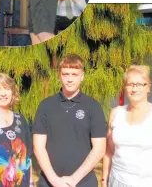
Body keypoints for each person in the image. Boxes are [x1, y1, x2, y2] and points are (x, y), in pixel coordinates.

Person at [102, 65, 152, 187]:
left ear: (148, 87)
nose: (135, 89)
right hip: (118, 181)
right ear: (125, 87)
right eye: (130, 84)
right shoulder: (116, 113)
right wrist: (104, 181)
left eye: (140, 84)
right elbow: (109, 152)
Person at [33, 54, 106, 187]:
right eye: (66, 74)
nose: (70, 79)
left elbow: (99, 149)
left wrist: (73, 179)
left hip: (83, 182)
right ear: (59, 76)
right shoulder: (46, 105)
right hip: (49, 182)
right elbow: (38, 147)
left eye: (74, 74)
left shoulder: (93, 106)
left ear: (82, 76)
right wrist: (54, 180)